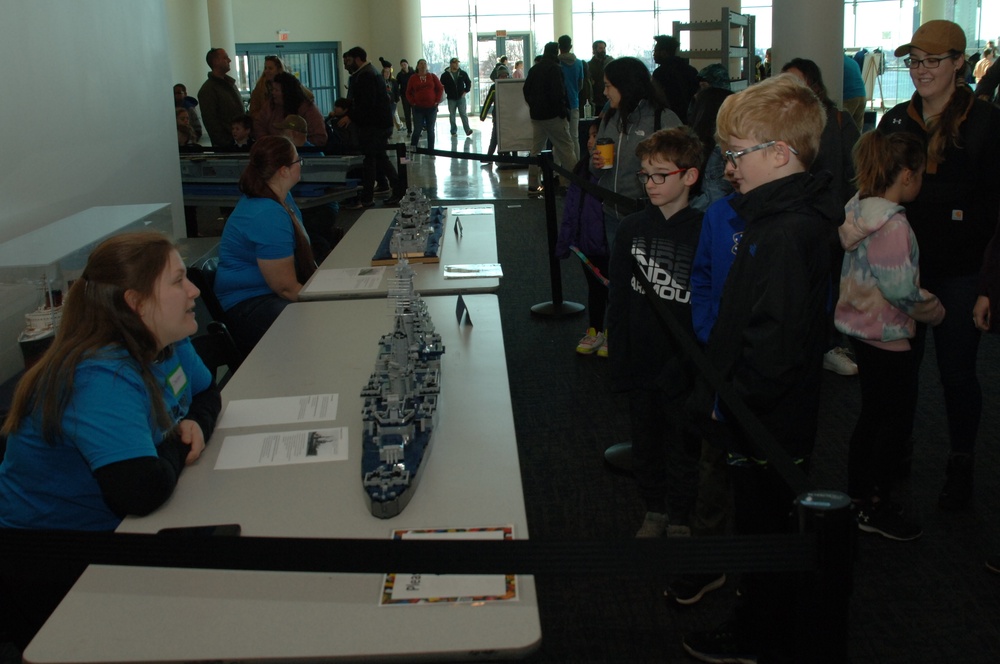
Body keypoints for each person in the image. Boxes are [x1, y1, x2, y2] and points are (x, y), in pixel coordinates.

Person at [681, 74, 841, 663]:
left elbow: (772, 349)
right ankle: (761, 621)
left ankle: (760, 634)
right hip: (766, 416)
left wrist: (735, 409)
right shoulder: (779, 219)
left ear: (779, 155)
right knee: (764, 527)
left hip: (766, 421)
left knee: (766, 530)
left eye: (736, 154)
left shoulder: (782, 233)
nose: (729, 168)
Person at [0, 231, 221, 647]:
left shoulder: (166, 342)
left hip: (122, 529)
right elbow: (139, 491)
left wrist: (192, 425)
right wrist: (179, 440)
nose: (194, 288)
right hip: (50, 561)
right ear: (135, 303)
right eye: (177, 281)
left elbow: (208, 393)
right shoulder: (100, 376)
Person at [879, 20, 1000, 510]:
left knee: (956, 373)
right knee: (900, 373)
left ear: (958, 63)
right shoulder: (894, 121)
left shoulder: (988, 123)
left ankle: (961, 461)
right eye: (914, 61)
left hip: (963, 271)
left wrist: (990, 284)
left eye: (932, 60)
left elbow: (996, 208)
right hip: (902, 271)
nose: (921, 70)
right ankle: (897, 454)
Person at [835, 130, 945, 542]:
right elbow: (900, 289)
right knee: (892, 423)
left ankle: (859, 494)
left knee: (872, 416)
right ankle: (875, 504)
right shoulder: (893, 224)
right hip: (890, 335)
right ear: (905, 174)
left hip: (860, 329)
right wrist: (934, 310)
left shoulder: (858, 209)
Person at [607, 126, 703, 540]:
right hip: (641, 359)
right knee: (645, 443)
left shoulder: (703, 230)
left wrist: (695, 362)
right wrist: (620, 358)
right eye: (645, 175)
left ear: (690, 176)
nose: (650, 184)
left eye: (660, 175)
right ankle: (654, 509)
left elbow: (709, 305)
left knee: (684, 444)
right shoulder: (631, 228)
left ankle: (681, 515)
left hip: (685, 363)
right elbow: (619, 302)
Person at [781, 57, 861, 377]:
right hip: (791, 221)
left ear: (814, 84)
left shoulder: (837, 120)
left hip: (829, 222)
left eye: (797, 81)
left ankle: (829, 343)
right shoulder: (778, 122)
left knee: (829, 286)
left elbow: (855, 171)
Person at [213, 136, 317, 354]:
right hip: (248, 306)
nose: (301, 164)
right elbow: (285, 287)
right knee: (315, 325)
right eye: (298, 160)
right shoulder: (267, 213)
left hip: (265, 296)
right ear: (284, 170)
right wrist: (324, 303)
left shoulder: (281, 198)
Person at [591, 56, 682, 255]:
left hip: (648, 217)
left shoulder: (663, 119)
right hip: (611, 214)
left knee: (647, 279)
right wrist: (595, 162)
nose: (604, 92)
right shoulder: (611, 117)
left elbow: (684, 167)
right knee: (618, 275)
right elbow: (595, 171)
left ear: (625, 85)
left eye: (608, 86)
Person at [555, 121, 608, 355]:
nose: (589, 141)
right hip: (586, 244)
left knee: (613, 289)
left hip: (606, 243)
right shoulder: (581, 167)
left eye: (595, 136)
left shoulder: (613, 173)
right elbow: (571, 208)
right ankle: (595, 330)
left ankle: (611, 331)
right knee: (595, 289)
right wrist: (566, 240)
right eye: (589, 136)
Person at [340, 46, 403, 209]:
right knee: (378, 158)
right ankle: (388, 192)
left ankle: (371, 197)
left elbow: (366, 103)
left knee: (374, 160)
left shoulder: (366, 75)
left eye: (348, 60)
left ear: (357, 58)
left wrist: (350, 115)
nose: (346, 64)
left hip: (375, 126)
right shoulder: (367, 73)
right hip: (378, 124)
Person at [522, 42, 578, 196]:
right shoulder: (555, 69)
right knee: (566, 148)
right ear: (556, 52)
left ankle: (533, 185)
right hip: (553, 116)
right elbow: (559, 93)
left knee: (536, 149)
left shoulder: (535, 69)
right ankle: (570, 183)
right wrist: (562, 111)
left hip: (537, 116)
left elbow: (526, 90)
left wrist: (533, 105)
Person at [253, 72, 327, 147]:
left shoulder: (308, 109)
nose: (273, 93)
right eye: (272, 89)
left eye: (276, 90)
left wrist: (299, 144)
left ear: (287, 92)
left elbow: (319, 137)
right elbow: (258, 124)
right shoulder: (270, 106)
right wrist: (269, 143)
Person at [197, 47, 244, 149]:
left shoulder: (230, 84)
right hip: (227, 146)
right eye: (225, 58)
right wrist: (226, 142)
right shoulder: (208, 90)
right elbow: (211, 121)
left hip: (240, 141)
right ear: (216, 61)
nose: (229, 60)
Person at [248, 55, 315, 121]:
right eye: (265, 68)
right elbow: (253, 112)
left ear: (279, 70)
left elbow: (310, 96)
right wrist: (266, 117)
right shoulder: (259, 88)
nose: (266, 71)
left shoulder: (290, 84)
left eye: (270, 68)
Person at [651, 34, 698, 124]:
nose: (654, 54)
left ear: (664, 52)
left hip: (669, 119)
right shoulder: (691, 70)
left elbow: (658, 99)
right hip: (690, 119)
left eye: (656, 51)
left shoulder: (659, 73)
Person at [406, 58, 444, 155]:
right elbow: (408, 92)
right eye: (421, 64)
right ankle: (411, 152)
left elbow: (440, 88)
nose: (423, 65)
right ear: (418, 66)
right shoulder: (413, 78)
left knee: (431, 130)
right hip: (418, 108)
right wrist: (412, 102)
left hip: (431, 108)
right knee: (417, 130)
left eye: (425, 63)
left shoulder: (432, 76)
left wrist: (437, 101)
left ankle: (431, 152)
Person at [558, 35, 585, 162]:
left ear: (559, 47)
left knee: (559, 138)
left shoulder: (556, 64)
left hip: (560, 105)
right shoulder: (579, 63)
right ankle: (577, 166)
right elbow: (580, 85)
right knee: (574, 137)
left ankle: (557, 169)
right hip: (574, 102)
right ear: (570, 47)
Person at [441, 57, 473, 136]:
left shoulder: (462, 73)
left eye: (457, 63)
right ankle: (453, 131)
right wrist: (446, 92)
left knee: (463, 114)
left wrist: (465, 91)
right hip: (451, 98)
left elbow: (468, 82)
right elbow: (441, 85)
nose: (457, 64)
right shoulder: (445, 75)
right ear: (451, 64)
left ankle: (467, 130)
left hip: (461, 97)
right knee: (452, 115)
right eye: (455, 63)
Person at [842, 54, 868, 130]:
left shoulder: (838, 62)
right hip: (861, 95)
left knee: (843, 127)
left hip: (849, 97)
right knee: (857, 127)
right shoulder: (852, 62)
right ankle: (858, 141)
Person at [588, 40, 613, 111]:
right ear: (594, 50)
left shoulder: (610, 63)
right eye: (600, 48)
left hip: (609, 98)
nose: (603, 50)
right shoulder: (589, 65)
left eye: (604, 48)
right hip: (596, 99)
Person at [396, 58, 414, 136]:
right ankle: (409, 131)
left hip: (413, 96)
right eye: (402, 65)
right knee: (407, 114)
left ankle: (417, 131)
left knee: (415, 114)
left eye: (405, 64)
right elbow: (397, 85)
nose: (404, 66)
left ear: (407, 64)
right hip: (405, 96)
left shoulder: (413, 73)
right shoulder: (400, 75)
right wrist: (399, 94)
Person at [382, 62, 402, 131]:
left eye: (388, 72)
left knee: (390, 117)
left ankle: (389, 131)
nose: (387, 74)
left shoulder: (393, 81)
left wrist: (396, 100)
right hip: (383, 103)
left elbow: (397, 91)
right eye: (386, 72)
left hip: (392, 102)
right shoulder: (380, 81)